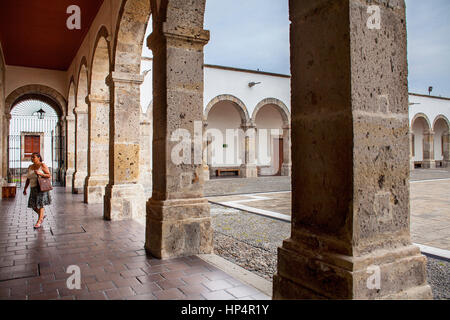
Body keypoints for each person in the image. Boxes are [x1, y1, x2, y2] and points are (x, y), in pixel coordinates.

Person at [23, 152, 52, 229]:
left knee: (40, 204)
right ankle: (41, 216)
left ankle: (39, 221)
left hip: (41, 188)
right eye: (31, 157)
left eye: (34, 157)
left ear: (38, 158)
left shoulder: (42, 165)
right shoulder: (30, 167)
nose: (32, 159)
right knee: (33, 205)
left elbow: (49, 175)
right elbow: (28, 179)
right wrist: (25, 188)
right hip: (33, 188)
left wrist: (40, 173)